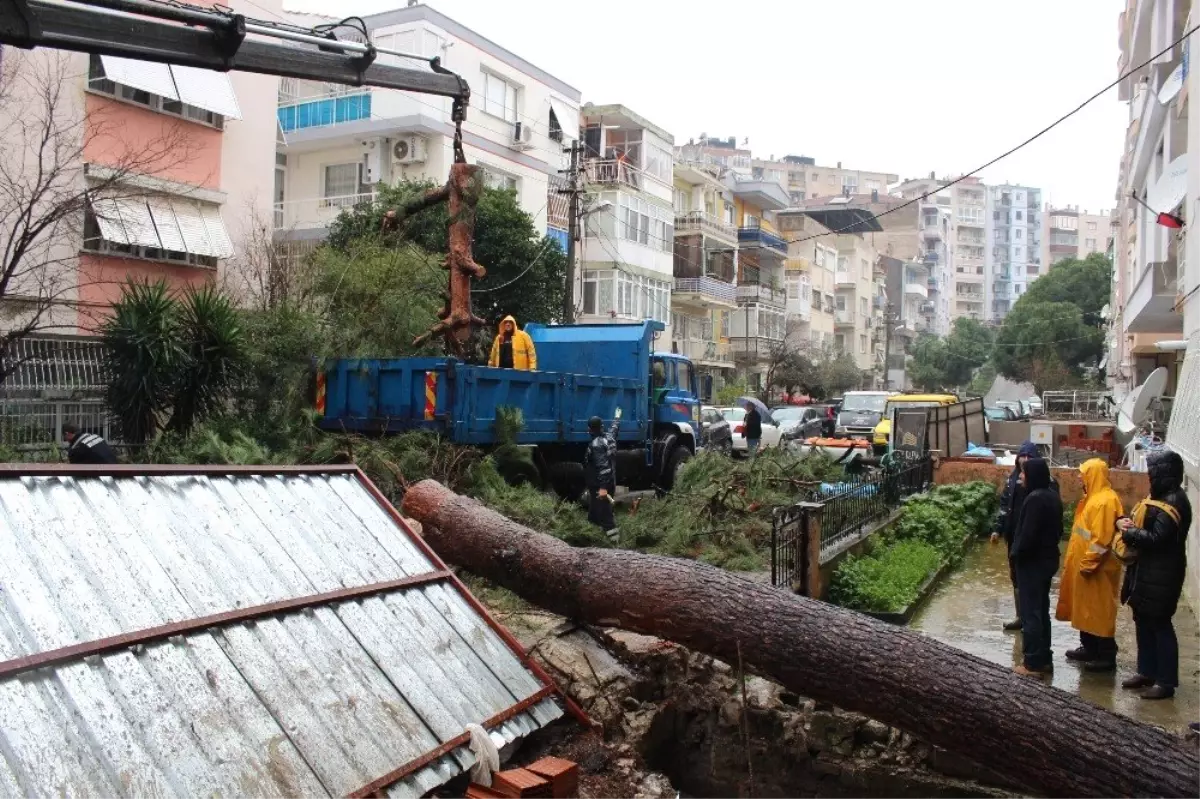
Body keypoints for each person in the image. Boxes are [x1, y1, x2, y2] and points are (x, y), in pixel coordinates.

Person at [1116, 450, 1191, 700]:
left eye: (1152, 473)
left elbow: (1159, 539)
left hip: (1164, 574)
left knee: (1160, 624)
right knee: (1143, 620)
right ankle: (1146, 672)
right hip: (1146, 572)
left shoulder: (1174, 502)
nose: (1149, 477)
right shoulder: (1159, 498)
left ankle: (1165, 682)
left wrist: (1130, 534)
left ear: (1164, 474)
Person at [1056, 458, 1125, 671]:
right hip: (1085, 567)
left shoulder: (1105, 501)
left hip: (1097, 570)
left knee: (1099, 611)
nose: (1079, 477)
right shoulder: (1092, 499)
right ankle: (1089, 647)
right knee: (1086, 610)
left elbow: (1101, 540)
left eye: (1082, 473)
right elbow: (1085, 534)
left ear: (1093, 475)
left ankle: (1105, 655)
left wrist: (1088, 563)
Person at [1010, 458, 1063, 677]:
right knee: (1041, 611)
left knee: (1030, 613)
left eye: (1024, 474)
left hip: (1032, 563)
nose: (1021, 477)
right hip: (1048, 561)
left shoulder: (1034, 499)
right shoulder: (1052, 496)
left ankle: (1032, 663)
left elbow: (1027, 536)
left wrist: (1016, 555)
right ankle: (1044, 659)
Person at [992, 440, 1040, 631]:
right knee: (1016, 576)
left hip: (1030, 539)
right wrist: (997, 529)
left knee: (1030, 577)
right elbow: (1005, 506)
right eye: (1022, 456)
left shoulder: (1041, 481)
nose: (1025, 460)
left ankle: (1032, 619)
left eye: (1029, 456)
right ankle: (1021, 616)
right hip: (1013, 536)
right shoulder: (1012, 480)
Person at [584, 411, 620, 535]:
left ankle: (615, 543)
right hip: (608, 482)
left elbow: (603, 468)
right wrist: (617, 417)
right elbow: (614, 428)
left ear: (589, 429)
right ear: (602, 426)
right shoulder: (609, 437)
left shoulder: (596, 445)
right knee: (594, 513)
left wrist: (603, 488)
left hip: (600, 485)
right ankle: (591, 535)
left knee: (606, 516)